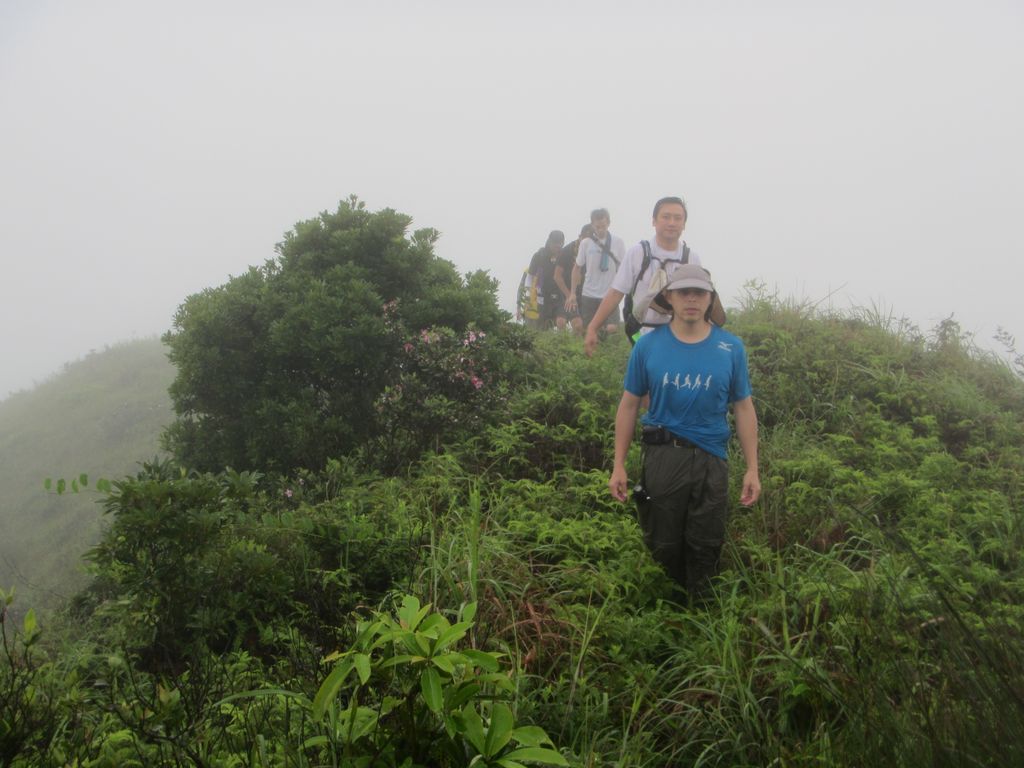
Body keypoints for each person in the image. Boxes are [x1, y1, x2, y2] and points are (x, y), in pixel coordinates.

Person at [609, 262, 760, 602]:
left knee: (706, 544)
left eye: (699, 293)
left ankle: (701, 615)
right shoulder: (647, 346)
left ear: (710, 299)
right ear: (669, 297)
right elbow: (629, 405)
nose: (692, 299)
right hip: (663, 456)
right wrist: (619, 464)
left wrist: (752, 468)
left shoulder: (731, 348)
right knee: (662, 544)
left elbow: (744, 408)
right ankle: (666, 613)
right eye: (683, 292)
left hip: (712, 460)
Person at [584, 196, 701, 355]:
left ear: (684, 224)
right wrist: (593, 327)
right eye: (666, 217)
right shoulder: (637, 253)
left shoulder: (691, 259)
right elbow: (616, 292)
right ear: (654, 221)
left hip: (679, 335)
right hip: (641, 334)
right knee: (644, 365)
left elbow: (700, 301)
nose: (672, 223)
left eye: (677, 218)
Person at [573, 209, 626, 336]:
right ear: (592, 225)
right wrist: (572, 293)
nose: (601, 230)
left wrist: (622, 289)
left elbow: (623, 268)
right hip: (589, 293)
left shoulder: (618, 242)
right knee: (588, 330)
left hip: (610, 293)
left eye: (603, 226)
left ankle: (603, 340)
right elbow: (577, 268)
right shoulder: (586, 243)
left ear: (609, 223)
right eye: (597, 227)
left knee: (612, 328)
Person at [528, 230, 572, 330]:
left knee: (561, 322)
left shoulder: (565, 256)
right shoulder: (539, 255)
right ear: (549, 242)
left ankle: (562, 339)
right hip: (542, 295)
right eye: (555, 244)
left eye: (560, 244)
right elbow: (530, 276)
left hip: (560, 295)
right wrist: (529, 294)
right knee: (543, 326)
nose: (557, 247)